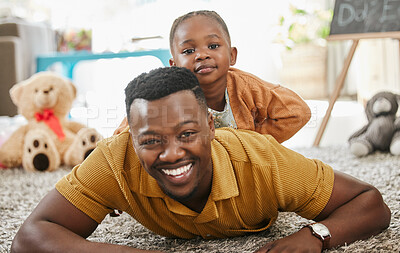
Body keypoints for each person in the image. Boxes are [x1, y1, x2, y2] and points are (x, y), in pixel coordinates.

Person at [12, 67, 391, 253]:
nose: (172, 152)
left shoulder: (262, 161)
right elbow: (29, 237)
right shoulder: (114, 160)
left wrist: (316, 236)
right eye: (151, 140)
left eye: (187, 134)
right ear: (131, 136)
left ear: (211, 126)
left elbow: (371, 203)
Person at [114, 10, 311, 144]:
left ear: (232, 55)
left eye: (213, 46)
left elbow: (297, 112)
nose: (201, 55)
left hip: (241, 168)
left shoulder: (246, 87)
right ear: (173, 65)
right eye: (189, 50)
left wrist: (253, 142)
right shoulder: (167, 96)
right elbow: (121, 137)